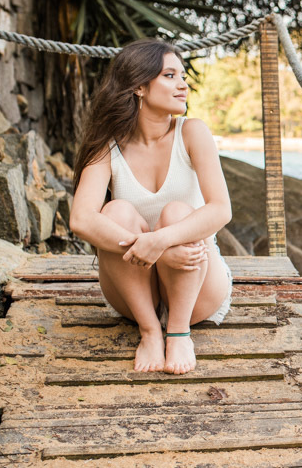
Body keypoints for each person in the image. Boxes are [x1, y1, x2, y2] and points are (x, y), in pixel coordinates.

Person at [69, 40, 233, 374]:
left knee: (176, 213)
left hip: (195, 287)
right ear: (139, 87)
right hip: (134, 292)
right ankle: (149, 331)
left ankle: (178, 331)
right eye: (170, 76)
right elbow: (81, 219)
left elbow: (220, 210)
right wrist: (155, 250)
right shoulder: (108, 145)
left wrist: (161, 241)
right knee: (114, 212)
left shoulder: (193, 132)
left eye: (183, 75)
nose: (183, 84)